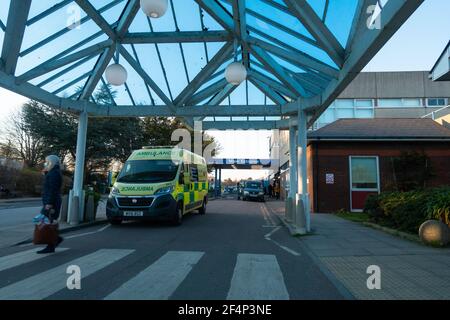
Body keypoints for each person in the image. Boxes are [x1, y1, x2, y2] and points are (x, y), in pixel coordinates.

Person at [36, 155, 64, 254]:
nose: (45, 163)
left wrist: (49, 204)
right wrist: (46, 173)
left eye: (47, 162)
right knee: (48, 222)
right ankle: (55, 240)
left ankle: (52, 244)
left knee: (47, 222)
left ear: (51, 162)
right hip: (51, 201)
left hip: (52, 202)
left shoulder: (54, 173)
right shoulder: (53, 172)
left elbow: (53, 190)